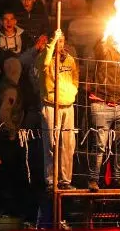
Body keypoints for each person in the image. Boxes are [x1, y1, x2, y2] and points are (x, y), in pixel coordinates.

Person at [87, 37, 120, 192]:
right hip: (101, 103)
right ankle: (93, 180)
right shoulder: (104, 48)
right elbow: (98, 48)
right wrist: (106, 35)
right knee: (99, 146)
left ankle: (119, 179)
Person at [37, 28, 78, 190]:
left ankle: (65, 180)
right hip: (50, 104)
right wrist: (52, 42)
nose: (59, 45)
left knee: (67, 144)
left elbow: (75, 79)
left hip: (67, 105)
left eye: (61, 41)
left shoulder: (70, 60)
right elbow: (44, 64)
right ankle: (50, 180)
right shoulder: (44, 57)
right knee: (51, 144)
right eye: (56, 41)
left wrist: (72, 93)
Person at [0, 10, 27, 78]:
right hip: (2, 74)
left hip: (21, 72)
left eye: (11, 19)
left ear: (15, 21)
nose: (9, 22)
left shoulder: (24, 36)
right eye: (6, 19)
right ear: (1, 22)